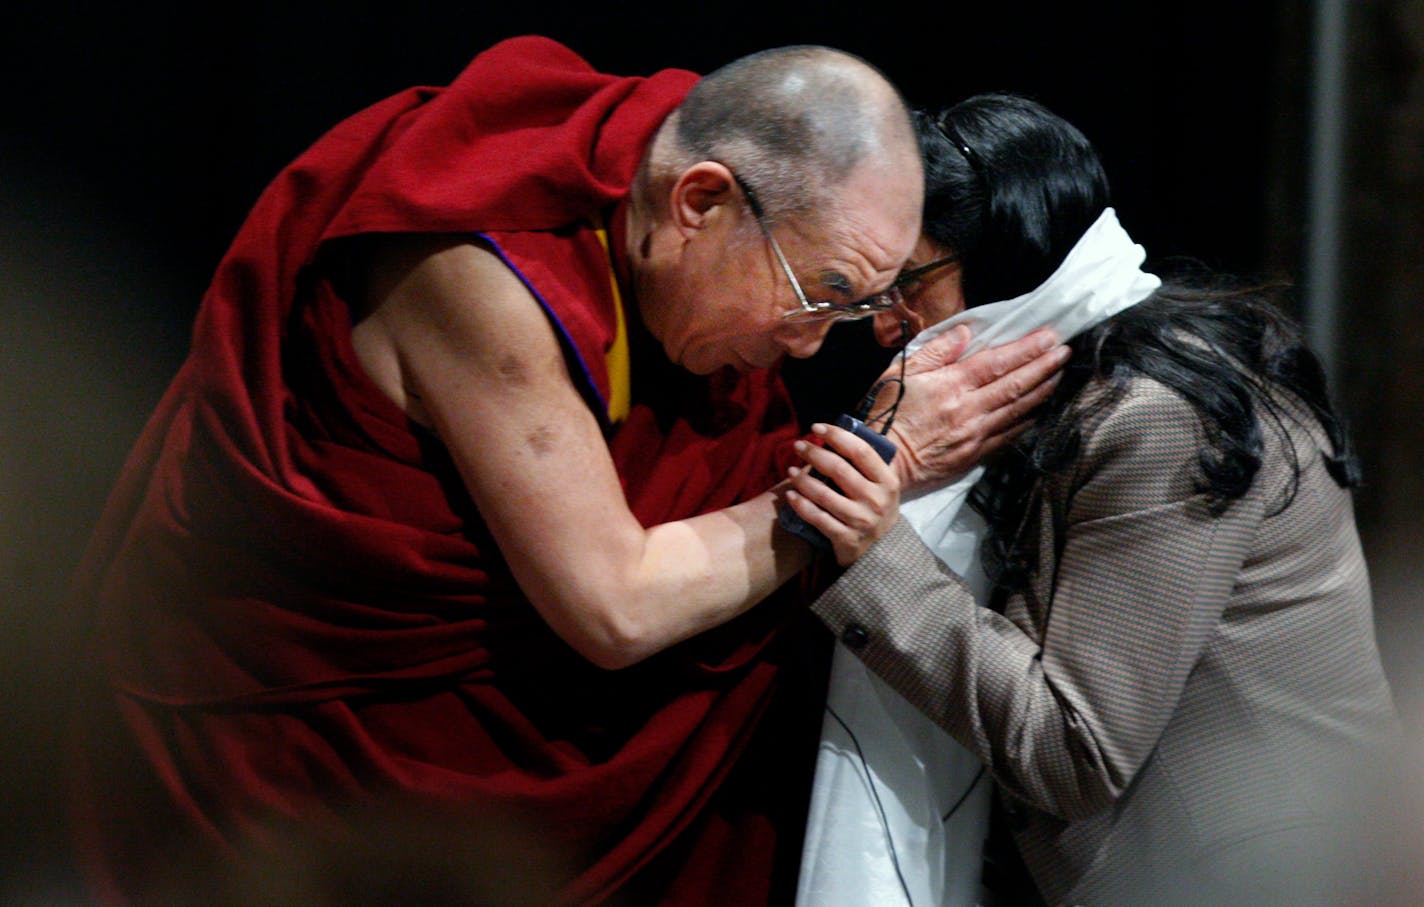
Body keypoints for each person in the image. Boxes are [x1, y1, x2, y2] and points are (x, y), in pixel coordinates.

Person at [63, 39, 1067, 905]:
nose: (811, 346)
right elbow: (613, 605)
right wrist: (867, 470)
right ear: (700, 201)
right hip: (302, 789)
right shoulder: (480, 273)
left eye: (856, 304)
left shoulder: (668, 200)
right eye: (822, 290)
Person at [790, 93, 1408, 905]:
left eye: (909, 281)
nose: (884, 326)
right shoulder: (1083, 382)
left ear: (1012, 257)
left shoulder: (1160, 413)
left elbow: (1071, 748)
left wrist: (877, 551)